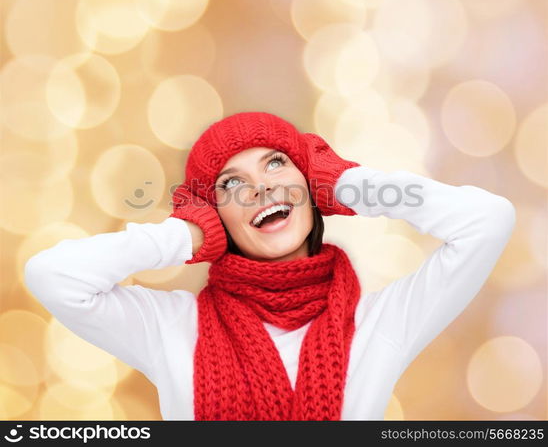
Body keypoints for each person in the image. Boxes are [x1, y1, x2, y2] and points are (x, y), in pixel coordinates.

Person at [24, 111, 516, 420]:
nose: (260, 188)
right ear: (216, 215)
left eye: (277, 163)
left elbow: (487, 220)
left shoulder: (379, 324)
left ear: (310, 186)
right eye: (232, 184)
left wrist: (345, 184)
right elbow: (53, 276)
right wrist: (186, 235)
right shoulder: (172, 327)